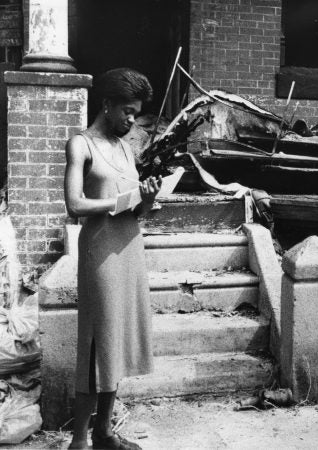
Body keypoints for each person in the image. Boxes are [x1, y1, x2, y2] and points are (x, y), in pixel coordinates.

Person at [63, 68, 161, 450]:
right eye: (128, 112)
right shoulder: (81, 145)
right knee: (94, 344)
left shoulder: (125, 148)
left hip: (129, 249)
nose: (132, 120)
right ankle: (78, 441)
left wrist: (148, 199)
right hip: (100, 253)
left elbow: (134, 211)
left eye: (136, 114)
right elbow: (74, 205)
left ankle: (104, 431)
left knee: (116, 341)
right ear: (106, 104)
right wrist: (121, 202)